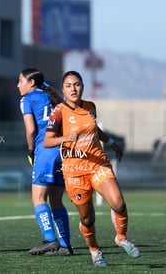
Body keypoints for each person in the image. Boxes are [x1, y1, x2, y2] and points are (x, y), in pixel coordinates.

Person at [44, 70, 140, 266]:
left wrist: (112, 143)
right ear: (63, 89)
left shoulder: (90, 107)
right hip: (74, 173)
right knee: (88, 219)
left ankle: (121, 238)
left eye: (77, 84)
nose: (73, 88)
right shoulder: (58, 112)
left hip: (97, 164)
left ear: (83, 86)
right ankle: (95, 251)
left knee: (119, 203)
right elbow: (47, 141)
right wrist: (65, 138)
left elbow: (94, 129)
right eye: (69, 85)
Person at [17, 68, 72, 255]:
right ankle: (65, 245)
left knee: (38, 198)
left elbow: (31, 130)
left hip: (46, 150)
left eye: (20, 81)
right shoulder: (53, 96)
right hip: (62, 150)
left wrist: (31, 151)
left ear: (31, 83)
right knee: (56, 200)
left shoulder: (26, 99)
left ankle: (50, 240)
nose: (18, 85)